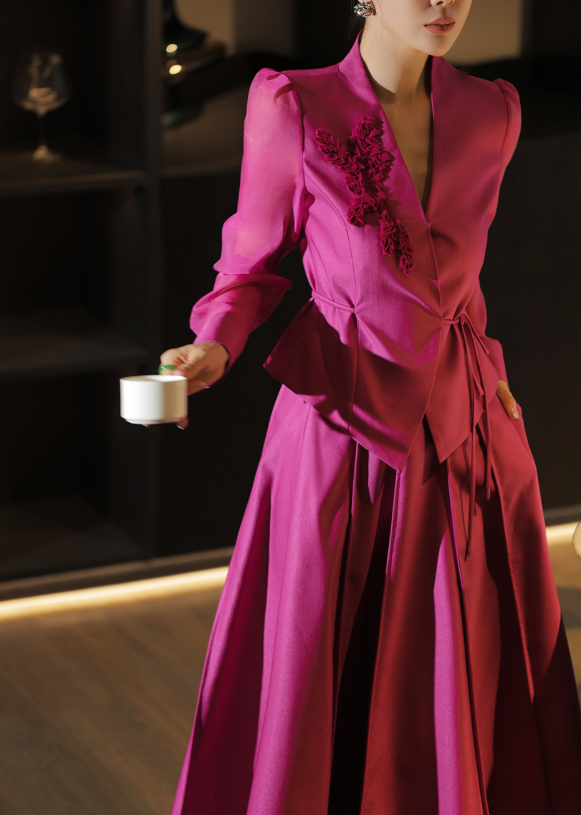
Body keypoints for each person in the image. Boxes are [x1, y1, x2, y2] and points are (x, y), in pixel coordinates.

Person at [157, 1, 581, 813]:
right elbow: (249, 264)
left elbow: (453, 284)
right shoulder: (295, 105)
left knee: (461, 669)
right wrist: (214, 343)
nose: (442, 2)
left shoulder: (493, 112)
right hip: (342, 434)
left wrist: (491, 378)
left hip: (464, 433)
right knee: (322, 666)